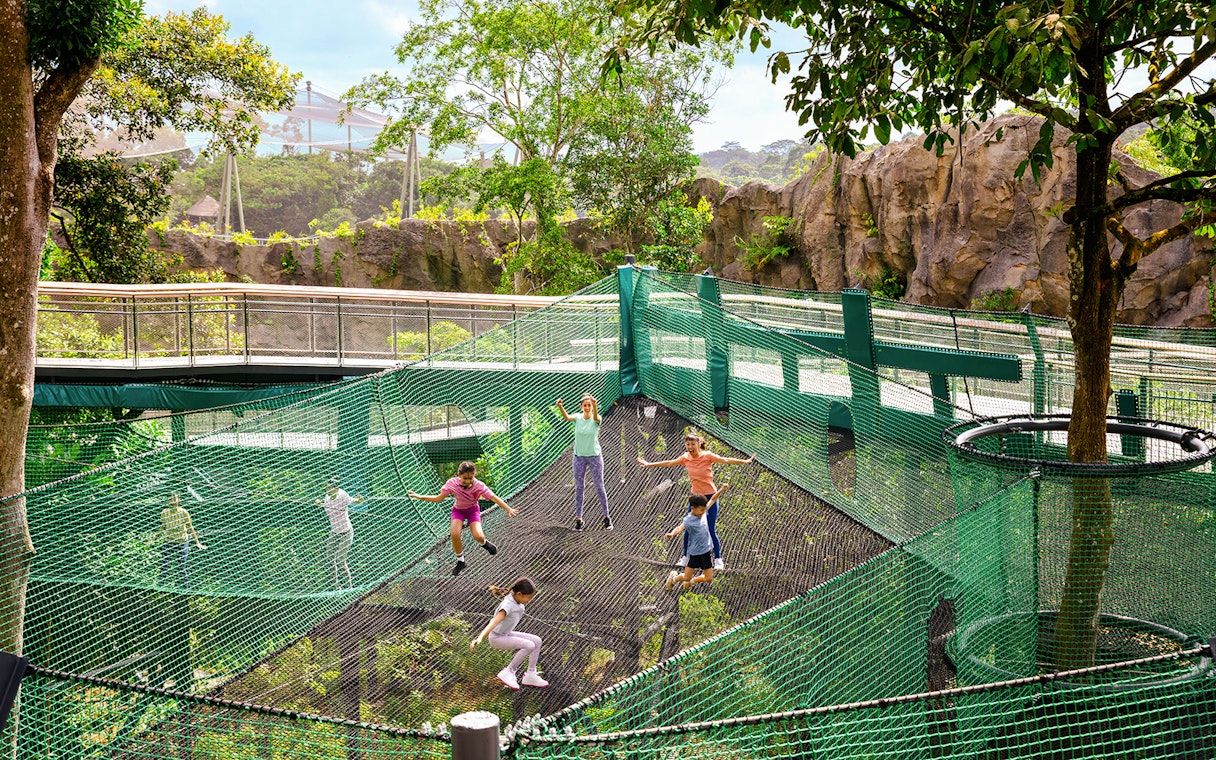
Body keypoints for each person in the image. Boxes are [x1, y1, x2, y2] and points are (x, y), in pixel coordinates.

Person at [638, 433, 754, 570]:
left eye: (693, 444)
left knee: (710, 529)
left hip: (710, 496)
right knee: (688, 528)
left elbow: (726, 460)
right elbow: (669, 463)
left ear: (699, 444)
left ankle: (718, 560)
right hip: (695, 498)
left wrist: (744, 461)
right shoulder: (685, 458)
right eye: (688, 444)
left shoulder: (707, 456)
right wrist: (649, 464)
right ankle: (685, 557)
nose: (690, 447)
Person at [409, 461, 518, 576]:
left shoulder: (478, 486)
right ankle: (461, 561)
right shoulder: (452, 484)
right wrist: (420, 497)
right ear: (459, 475)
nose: (467, 481)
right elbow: (438, 499)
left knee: (478, 536)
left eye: (470, 478)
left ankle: (485, 543)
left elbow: (494, 498)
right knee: (455, 534)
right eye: (465, 478)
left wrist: (508, 509)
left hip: (473, 511)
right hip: (458, 511)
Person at [471, 577, 548, 690]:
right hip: (497, 638)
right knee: (529, 645)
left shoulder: (515, 598)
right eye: (529, 597)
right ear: (520, 594)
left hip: (506, 633)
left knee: (537, 640)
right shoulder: (507, 605)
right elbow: (494, 622)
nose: (529, 600)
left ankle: (531, 674)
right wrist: (480, 637)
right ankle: (509, 671)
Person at [556, 394, 611, 531]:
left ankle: (606, 517)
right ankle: (579, 519)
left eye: (589, 406)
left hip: (594, 457)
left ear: (591, 407)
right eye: (585, 405)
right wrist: (560, 406)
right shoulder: (578, 418)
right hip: (579, 457)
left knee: (599, 486)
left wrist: (595, 405)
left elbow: (597, 418)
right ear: (581, 407)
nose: (587, 408)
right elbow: (567, 417)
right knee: (579, 487)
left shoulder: (596, 419)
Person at [663, 487, 727, 591]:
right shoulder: (689, 520)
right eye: (701, 510)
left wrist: (722, 489)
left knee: (708, 578)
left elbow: (713, 499)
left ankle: (692, 582)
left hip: (706, 551)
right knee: (687, 576)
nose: (703, 512)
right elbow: (680, 528)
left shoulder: (703, 512)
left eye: (704, 509)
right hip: (695, 552)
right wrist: (671, 534)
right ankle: (674, 578)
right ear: (693, 508)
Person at [317, 478, 365, 589]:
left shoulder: (343, 495)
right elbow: (328, 507)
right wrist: (320, 504)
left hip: (346, 532)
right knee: (329, 557)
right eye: (327, 487)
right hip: (334, 532)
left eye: (329, 487)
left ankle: (349, 587)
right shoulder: (327, 498)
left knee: (340, 560)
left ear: (336, 489)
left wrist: (360, 500)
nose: (327, 489)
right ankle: (336, 586)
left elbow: (356, 501)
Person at [156, 492, 206, 589]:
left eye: (174, 499)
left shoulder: (183, 512)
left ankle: (185, 589)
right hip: (168, 542)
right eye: (170, 499)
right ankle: (160, 588)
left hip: (182, 542)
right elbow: (162, 527)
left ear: (179, 500)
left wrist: (197, 542)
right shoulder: (164, 512)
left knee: (181, 566)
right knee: (164, 565)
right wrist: (154, 539)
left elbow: (191, 528)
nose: (173, 501)